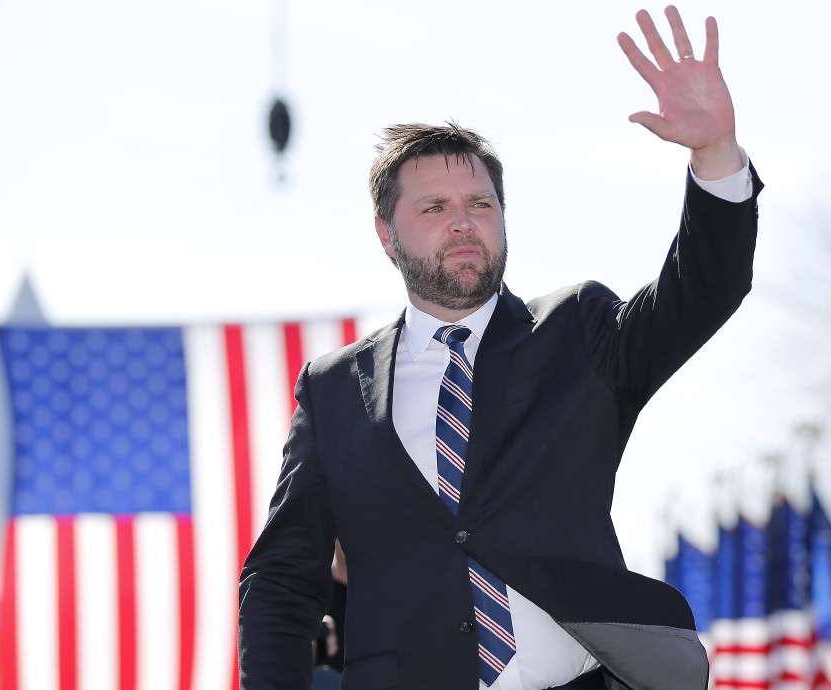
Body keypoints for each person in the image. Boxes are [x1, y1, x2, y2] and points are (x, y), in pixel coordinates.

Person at [238, 5, 762, 689]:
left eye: (480, 205)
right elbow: (282, 577)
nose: (462, 224)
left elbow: (704, 291)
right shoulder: (335, 388)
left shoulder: (577, 332)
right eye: (434, 208)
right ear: (386, 235)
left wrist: (715, 155)